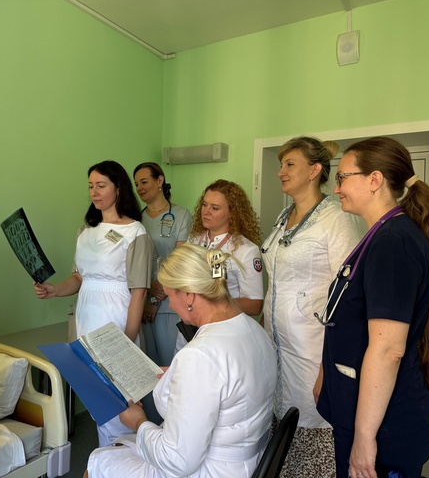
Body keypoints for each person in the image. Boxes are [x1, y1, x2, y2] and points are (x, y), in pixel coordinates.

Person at [316, 136, 429, 478]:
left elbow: (388, 349)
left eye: (343, 177)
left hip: (384, 428)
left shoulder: (393, 242)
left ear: (374, 180)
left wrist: (364, 438)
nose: (336, 188)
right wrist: (326, 377)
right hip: (367, 416)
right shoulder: (380, 236)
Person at [85, 243, 277, 478]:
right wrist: (179, 376)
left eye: (169, 296)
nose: (170, 305)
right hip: (248, 461)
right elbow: (226, 383)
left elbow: (176, 461)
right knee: (115, 452)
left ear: (189, 295)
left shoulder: (200, 355)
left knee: (96, 464)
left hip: (211, 470)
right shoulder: (254, 330)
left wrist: (138, 421)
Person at [261, 136, 363, 477]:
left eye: (290, 164)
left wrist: (326, 369)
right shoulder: (284, 216)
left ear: (314, 170)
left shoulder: (336, 219)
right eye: (281, 164)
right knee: (282, 435)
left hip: (313, 351)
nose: (281, 172)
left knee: (312, 423)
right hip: (277, 348)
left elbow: (348, 295)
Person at [34, 160, 154, 447]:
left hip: (117, 317)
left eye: (101, 186)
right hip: (87, 316)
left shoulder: (136, 233)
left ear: (119, 188)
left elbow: (139, 292)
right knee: (97, 397)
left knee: (119, 396)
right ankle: (105, 458)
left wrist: (127, 340)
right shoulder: (85, 232)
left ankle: (124, 458)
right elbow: (79, 277)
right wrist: (55, 290)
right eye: (90, 186)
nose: (94, 192)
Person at [175, 179, 264, 351]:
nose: (206, 212)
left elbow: (255, 305)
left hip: (222, 333)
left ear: (232, 213)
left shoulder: (246, 250)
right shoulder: (194, 240)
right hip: (188, 330)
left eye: (215, 208)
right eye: (204, 205)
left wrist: (212, 303)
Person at [133, 162, 192, 367]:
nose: (139, 188)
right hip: (140, 301)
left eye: (144, 182)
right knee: (145, 366)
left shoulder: (182, 215)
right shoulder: (135, 220)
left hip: (170, 303)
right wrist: (148, 288)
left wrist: (155, 300)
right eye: (136, 184)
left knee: (170, 364)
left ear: (160, 181)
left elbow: (179, 261)